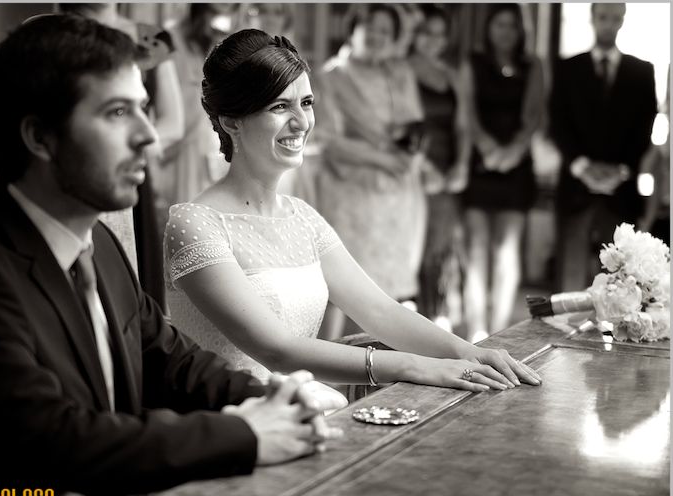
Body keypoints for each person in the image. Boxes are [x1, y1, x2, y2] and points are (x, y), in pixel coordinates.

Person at [0, 15, 342, 496]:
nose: (149, 136)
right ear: (40, 138)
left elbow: (173, 363)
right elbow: (54, 441)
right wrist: (247, 434)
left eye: (143, 109)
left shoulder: (99, 245)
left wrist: (274, 398)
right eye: (117, 113)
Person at [163, 28, 541, 395]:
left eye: (306, 103)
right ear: (231, 121)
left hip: (300, 413)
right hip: (230, 421)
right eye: (279, 106)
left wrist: (470, 352)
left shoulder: (303, 218)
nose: (302, 122)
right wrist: (416, 366)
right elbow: (277, 350)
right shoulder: (194, 223)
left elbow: (379, 311)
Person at [58, 2, 185, 305]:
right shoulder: (51, 35)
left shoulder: (152, 38)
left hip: (130, 171)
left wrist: (129, 142)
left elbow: (173, 122)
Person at [314, 4, 428, 340]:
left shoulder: (399, 74)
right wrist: (382, 159)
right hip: (351, 195)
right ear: (353, 29)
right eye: (370, 27)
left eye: (385, 31)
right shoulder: (331, 76)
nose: (377, 36)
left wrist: (410, 157)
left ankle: (375, 364)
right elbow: (328, 139)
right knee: (342, 289)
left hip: (397, 198)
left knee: (386, 295)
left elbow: (415, 127)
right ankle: (327, 363)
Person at [550, 2, 657, 290]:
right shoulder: (568, 68)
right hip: (575, 189)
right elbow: (557, 122)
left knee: (618, 284)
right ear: (592, 18)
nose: (608, 24)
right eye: (603, 17)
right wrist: (583, 168)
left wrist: (620, 171)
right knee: (570, 281)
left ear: (623, 20)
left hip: (620, 193)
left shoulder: (642, 71)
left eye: (615, 18)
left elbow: (644, 128)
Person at [459, 3, 544, 342]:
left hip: (516, 166)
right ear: (489, 28)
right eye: (499, 25)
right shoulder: (474, 63)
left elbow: (534, 116)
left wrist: (511, 153)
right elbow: (467, 112)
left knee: (506, 251)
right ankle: (476, 332)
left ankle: (500, 333)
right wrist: (488, 149)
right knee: (477, 249)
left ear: (520, 30)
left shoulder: (532, 65)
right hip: (480, 164)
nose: (505, 32)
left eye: (512, 26)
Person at [410, 5, 471, 331]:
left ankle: (436, 321)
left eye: (440, 34)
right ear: (414, 34)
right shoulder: (402, 70)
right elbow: (400, 128)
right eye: (426, 32)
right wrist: (424, 168)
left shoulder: (452, 75)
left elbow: (463, 127)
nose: (433, 40)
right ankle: (418, 324)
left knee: (443, 247)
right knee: (419, 249)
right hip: (414, 170)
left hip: (447, 174)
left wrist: (461, 165)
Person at [161, 3, 237, 206]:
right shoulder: (169, 40)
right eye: (215, 13)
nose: (221, 23)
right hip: (177, 157)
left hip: (209, 158)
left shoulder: (216, 43)